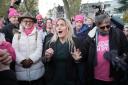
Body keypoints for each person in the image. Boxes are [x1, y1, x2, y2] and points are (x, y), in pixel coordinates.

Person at [82, 14, 128, 85]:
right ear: (97, 26)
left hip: (114, 78)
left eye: (108, 26)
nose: (106, 29)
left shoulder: (118, 34)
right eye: (102, 27)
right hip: (96, 78)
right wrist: (78, 57)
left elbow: (126, 50)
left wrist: (120, 58)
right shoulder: (92, 36)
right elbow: (84, 53)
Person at [43, 18, 83, 85]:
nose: (59, 27)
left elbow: (81, 63)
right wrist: (47, 58)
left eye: (62, 25)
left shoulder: (76, 42)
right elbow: (43, 60)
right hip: (53, 79)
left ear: (68, 28)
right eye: (57, 25)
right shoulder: (49, 43)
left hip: (70, 80)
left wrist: (77, 60)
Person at [12, 12, 45, 85]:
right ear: (21, 22)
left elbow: (39, 49)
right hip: (21, 72)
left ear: (33, 22)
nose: (28, 23)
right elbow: (14, 50)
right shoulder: (17, 35)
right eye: (25, 21)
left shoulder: (38, 33)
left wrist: (31, 60)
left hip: (37, 72)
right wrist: (22, 61)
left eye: (30, 21)